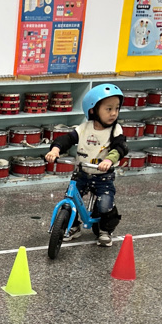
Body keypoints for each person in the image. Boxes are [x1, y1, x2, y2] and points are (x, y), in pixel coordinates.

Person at [45, 83, 128, 247]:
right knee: (70, 199)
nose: (113, 113)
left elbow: (120, 147)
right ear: (93, 110)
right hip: (82, 172)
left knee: (105, 204)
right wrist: (55, 149)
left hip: (103, 175)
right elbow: (67, 139)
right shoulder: (84, 128)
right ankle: (73, 226)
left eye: (116, 109)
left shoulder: (115, 130)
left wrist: (108, 160)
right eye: (108, 109)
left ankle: (105, 230)